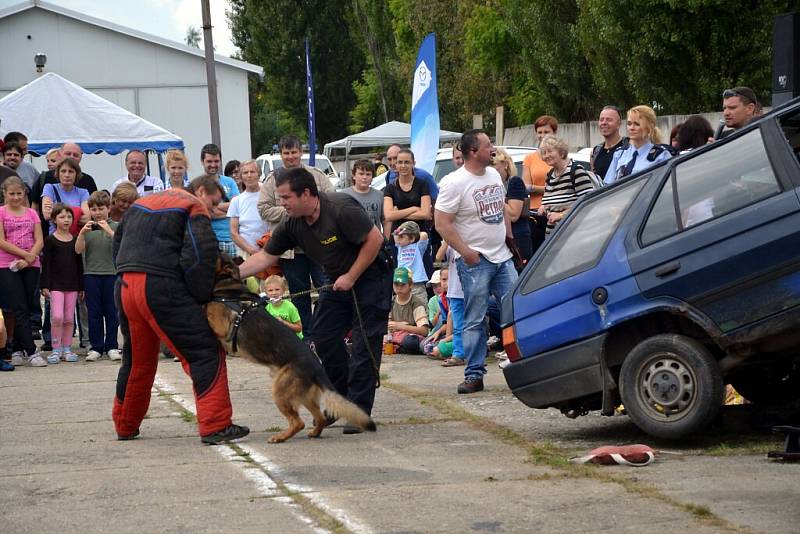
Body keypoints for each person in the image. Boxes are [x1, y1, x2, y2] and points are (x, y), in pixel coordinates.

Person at [240, 167, 392, 430]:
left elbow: (374, 239)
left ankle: (358, 410)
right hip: (337, 281)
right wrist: (230, 276)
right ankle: (340, 399)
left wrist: (352, 276)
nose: (282, 204)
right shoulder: (291, 223)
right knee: (322, 337)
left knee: (363, 343)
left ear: (307, 194)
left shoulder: (340, 208)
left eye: (286, 198)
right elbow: (266, 257)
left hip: (369, 277)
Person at [112, 175, 248, 444]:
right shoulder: (192, 207)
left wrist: (126, 274)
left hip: (126, 285)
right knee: (205, 351)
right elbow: (198, 256)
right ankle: (216, 425)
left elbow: (118, 243)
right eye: (213, 202)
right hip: (161, 286)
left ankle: (125, 424)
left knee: (136, 359)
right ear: (199, 190)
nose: (213, 210)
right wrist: (200, 297)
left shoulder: (142, 203)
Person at [435, 129, 518, 393]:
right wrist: (466, 252)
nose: (492, 148)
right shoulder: (454, 182)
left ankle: (523, 361)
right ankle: (474, 374)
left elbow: (502, 207)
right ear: (472, 151)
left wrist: (510, 239)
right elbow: (442, 223)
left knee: (516, 309)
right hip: (475, 262)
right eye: (487, 145)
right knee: (474, 319)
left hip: (502, 257)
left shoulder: (494, 174)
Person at [257, 134, 333, 339]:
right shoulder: (272, 180)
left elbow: (330, 199)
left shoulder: (316, 175)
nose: (290, 157)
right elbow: (263, 209)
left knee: (327, 288)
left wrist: (306, 209)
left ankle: (324, 330)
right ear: (280, 155)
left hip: (317, 244)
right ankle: (306, 336)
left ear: (301, 152)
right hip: (289, 249)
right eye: (286, 153)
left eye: (293, 152)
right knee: (299, 293)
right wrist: (290, 211)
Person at [0, 176, 46, 367]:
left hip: (30, 264)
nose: (16, 197)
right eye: (12, 194)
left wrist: (29, 259)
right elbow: (1, 241)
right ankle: (32, 350)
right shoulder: (1, 212)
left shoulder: (32, 214)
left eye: (19, 193)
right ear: (4, 194)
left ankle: (17, 347)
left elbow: (40, 240)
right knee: (17, 306)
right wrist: (24, 255)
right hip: (6, 264)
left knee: (27, 305)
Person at [75, 191, 121, 362]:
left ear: (109, 208)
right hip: (91, 275)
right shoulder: (87, 228)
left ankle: (112, 346)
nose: (97, 212)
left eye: (101, 208)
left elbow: (121, 244)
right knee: (93, 312)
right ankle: (96, 347)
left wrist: (108, 229)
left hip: (111, 274)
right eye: (93, 209)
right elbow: (78, 250)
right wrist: (81, 234)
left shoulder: (116, 226)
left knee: (112, 312)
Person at [41, 203, 83, 364]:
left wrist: (81, 286)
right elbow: (47, 264)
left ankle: (67, 348)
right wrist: (45, 285)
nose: (66, 220)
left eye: (69, 216)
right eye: (62, 217)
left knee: (69, 318)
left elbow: (79, 265)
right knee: (57, 316)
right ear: (54, 219)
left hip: (72, 285)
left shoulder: (75, 241)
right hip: (56, 285)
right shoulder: (50, 240)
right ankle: (56, 348)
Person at [538, 135, 596, 234]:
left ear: (561, 152)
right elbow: (550, 201)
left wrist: (561, 215)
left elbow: (588, 202)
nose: (547, 155)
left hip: (574, 234)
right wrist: (544, 207)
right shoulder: (550, 174)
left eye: (550, 151)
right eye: (544, 153)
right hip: (554, 235)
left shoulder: (576, 170)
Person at [604, 105, 673, 185]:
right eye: (629, 124)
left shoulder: (660, 156)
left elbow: (667, 186)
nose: (631, 128)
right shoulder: (620, 154)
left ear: (649, 127)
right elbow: (607, 186)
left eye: (637, 124)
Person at [522, 115, 558, 254]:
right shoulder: (530, 158)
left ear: (554, 133)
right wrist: (550, 188)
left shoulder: (560, 157)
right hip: (535, 214)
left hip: (556, 211)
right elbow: (526, 187)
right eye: (540, 132)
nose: (543, 135)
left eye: (546, 132)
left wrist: (538, 189)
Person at [200, 144, 240, 257]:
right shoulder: (198, 185)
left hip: (230, 239)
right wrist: (230, 210)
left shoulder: (230, 182)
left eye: (216, 161)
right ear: (202, 161)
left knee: (231, 275)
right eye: (209, 161)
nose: (213, 165)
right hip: (208, 241)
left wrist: (214, 207)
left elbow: (238, 206)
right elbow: (205, 213)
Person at [494, 147, 531, 267]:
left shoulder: (514, 182)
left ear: (505, 164)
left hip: (517, 238)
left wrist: (494, 196)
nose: (490, 169)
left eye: (493, 164)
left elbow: (514, 215)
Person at [383, 149, 432, 238]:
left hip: (420, 236)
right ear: (396, 165)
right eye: (400, 162)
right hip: (398, 238)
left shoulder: (423, 184)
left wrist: (397, 214)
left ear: (413, 163)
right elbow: (389, 216)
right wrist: (413, 209)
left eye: (407, 162)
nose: (403, 165)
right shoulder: (390, 188)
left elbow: (425, 214)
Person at [227, 159, 268, 257]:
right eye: (245, 173)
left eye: (252, 172)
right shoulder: (236, 201)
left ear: (259, 174)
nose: (249, 175)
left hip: (268, 251)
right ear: (241, 177)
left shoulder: (268, 196)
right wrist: (251, 250)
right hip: (245, 253)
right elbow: (233, 233)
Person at [41, 157, 90, 233]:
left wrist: (58, 214)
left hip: (76, 239)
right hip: (55, 238)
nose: (67, 175)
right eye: (63, 171)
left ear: (76, 174)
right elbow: (47, 215)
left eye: (71, 171)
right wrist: (77, 212)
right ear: (58, 173)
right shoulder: (49, 188)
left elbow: (86, 219)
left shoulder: (83, 192)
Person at [388, 267, 429, 355]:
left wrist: (402, 326)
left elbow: (424, 331)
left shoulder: (416, 303)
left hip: (411, 336)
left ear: (410, 285)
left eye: (402, 284)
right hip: (394, 335)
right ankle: (398, 346)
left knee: (410, 342)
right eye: (396, 284)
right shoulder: (391, 301)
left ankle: (398, 347)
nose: (399, 288)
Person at [343, 160, 386, 235]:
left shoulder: (380, 195)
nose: (364, 177)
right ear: (354, 175)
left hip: (375, 241)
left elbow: (385, 221)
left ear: (372, 177)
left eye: (368, 174)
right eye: (361, 174)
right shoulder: (343, 195)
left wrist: (385, 239)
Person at [392, 221, 429, 301]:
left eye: (401, 236)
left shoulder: (418, 247)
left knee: (420, 305)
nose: (398, 238)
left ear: (412, 238)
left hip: (416, 283)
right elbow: (395, 236)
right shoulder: (399, 247)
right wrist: (399, 230)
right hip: (402, 282)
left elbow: (424, 235)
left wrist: (410, 230)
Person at [590, 106, 626, 179]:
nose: (604, 123)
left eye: (609, 120)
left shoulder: (628, 148)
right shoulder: (595, 151)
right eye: (601, 119)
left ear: (619, 124)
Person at [263, 275, 302, 339]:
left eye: (277, 289)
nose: (274, 293)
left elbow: (299, 328)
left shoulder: (290, 307)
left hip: (293, 340)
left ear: (283, 290)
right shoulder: (267, 308)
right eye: (270, 290)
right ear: (266, 293)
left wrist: (283, 322)